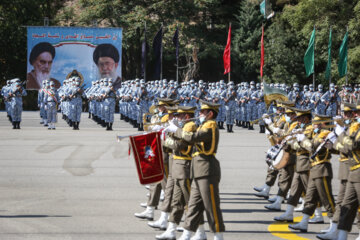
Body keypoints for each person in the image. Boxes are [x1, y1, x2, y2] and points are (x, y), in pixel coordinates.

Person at [165, 100, 225, 240]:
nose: (200, 114)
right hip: (197, 170)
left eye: (203, 112)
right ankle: (188, 234)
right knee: (193, 205)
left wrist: (177, 130)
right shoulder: (203, 125)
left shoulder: (210, 126)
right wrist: (172, 133)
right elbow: (185, 142)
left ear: (210, 114)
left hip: (207, 169)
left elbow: (192, 138)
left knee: (211, 205)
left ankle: (218, 235)